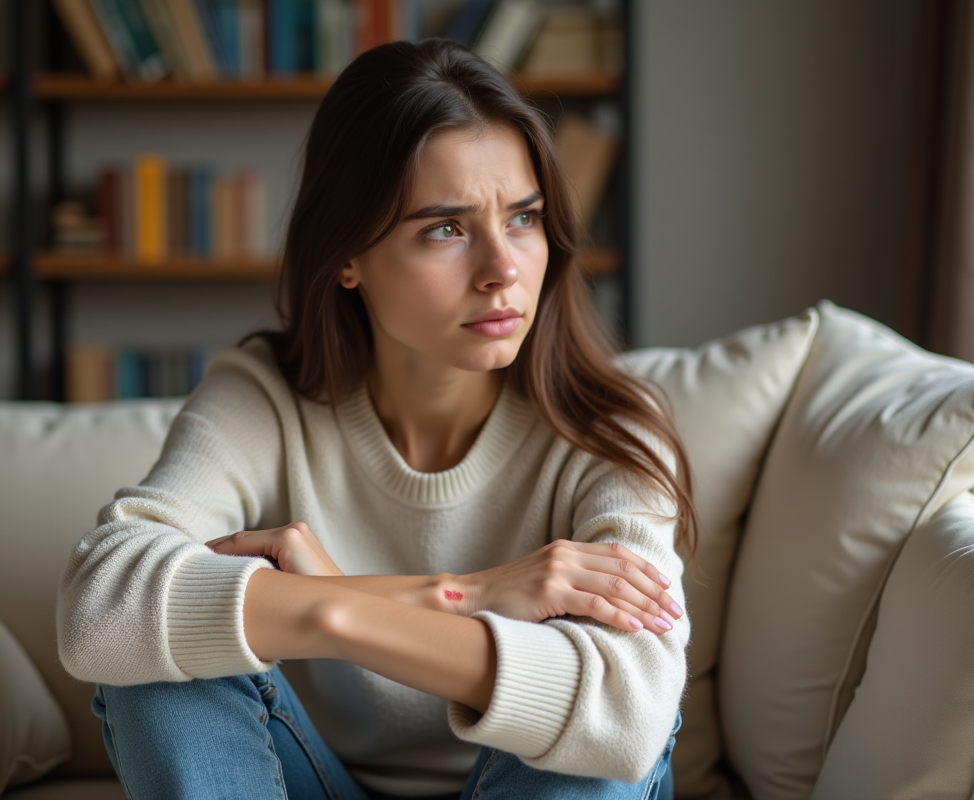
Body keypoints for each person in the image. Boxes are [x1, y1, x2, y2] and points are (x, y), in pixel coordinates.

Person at [57, 37, 696, 800]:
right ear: (347, 255)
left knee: (587, 746)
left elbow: (630, 714)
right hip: (314, 782)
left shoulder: (613, 424)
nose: (503, 270)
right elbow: (101, 605)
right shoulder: (266, 396)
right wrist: (461, 595)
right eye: (446, 229)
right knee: (156, 667)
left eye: (523, 218)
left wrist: (341, 611)